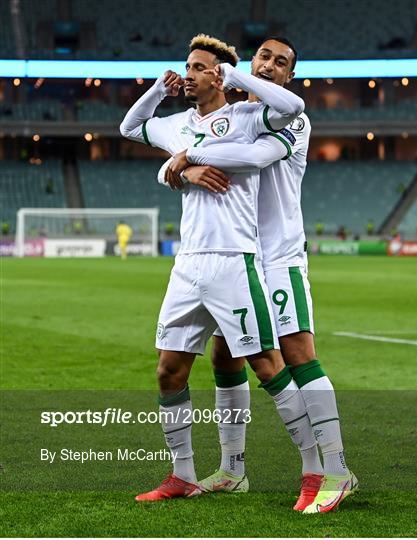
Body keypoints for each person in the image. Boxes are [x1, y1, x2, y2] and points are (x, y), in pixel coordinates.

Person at [162, 36, 357, 514]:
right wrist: (181, 166)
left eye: (280, 63)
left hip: (279, 257)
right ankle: (232, 469)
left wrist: (190, 157)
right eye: (263, 57)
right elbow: (180, 152)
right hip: (237, 257)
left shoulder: (293, 118)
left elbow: (251, 159)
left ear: (289, 76)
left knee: (295, 352)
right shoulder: (232, 119)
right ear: (252, 61)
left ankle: (336, 469)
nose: (269, 66)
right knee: (224, 355)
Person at [120, 34, 312, 503]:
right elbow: (130, 128)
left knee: (268, 366)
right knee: (169, 370)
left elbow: (292, 106)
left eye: (199, 67)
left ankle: (314, 467)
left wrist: (194, 154)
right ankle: (182, 474)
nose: (190, 74)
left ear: (219, 75)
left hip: (235, 260)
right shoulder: (178, 125)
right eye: (187, 66)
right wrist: (158, 97)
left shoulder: (247, 117)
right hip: (188, 264)